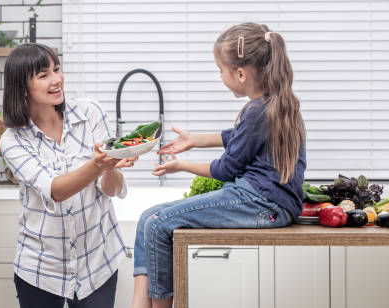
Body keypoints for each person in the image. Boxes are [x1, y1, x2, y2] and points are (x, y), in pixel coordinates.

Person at [131, 22, 307, 308]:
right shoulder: (276, 103)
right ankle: (141, 301)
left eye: (220, 70)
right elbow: (236, 138)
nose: (220, 76)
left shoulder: (256, 111)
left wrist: (181, 166)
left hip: (260, 204)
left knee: (157, 222)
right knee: (147, 218)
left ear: (240, 74)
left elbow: (226, 169)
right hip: (269, 204)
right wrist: (193, 140)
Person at [0, 43, 137, 308]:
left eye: (57, 69)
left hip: (97, 261)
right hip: (41, 268)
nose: (57, 79)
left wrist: (110, 167)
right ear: (22, 87)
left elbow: (110, 189)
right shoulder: (14, 140)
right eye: (44, 75)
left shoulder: (90, 114)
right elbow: (55, 190)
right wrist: (98, 164)